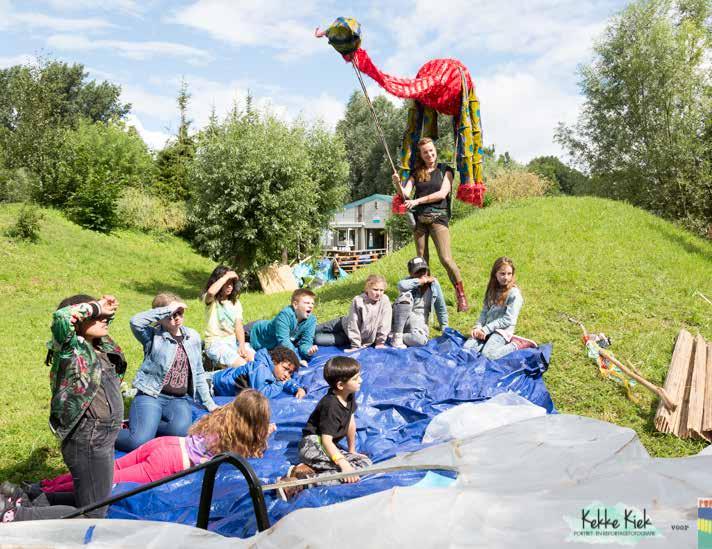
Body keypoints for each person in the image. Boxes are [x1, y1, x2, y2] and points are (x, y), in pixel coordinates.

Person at [38, 390, 272, 496]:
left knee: (103, 471)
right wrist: (264, 433)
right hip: (168, 462)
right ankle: (48, 494)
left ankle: (45, 484)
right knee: (105, 483)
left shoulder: (223, 415)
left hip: (166, 444)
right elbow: (253, 451)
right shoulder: (239, 440)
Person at [45, 294, 126, 518]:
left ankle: (27, 497)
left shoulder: (100, 345)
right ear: (79, 320)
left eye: (104, 316)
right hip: (89, 438)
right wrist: (96, 306)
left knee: (95, 501)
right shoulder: (70, 349)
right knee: (93, 513)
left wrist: (106, 308)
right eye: (95, 315)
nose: (103, 319)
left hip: (104, 436)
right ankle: (15, 514)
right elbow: (61, 317)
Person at [115, 293, 217, 453]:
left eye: (179, 313)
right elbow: (135, 322)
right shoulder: (152, 336)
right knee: (138, 442)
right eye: (170, 315)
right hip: (152, 395)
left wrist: (209, 403)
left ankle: (149, 425)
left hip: (178, 400)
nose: (176, 317)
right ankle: (105, 433)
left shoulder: (193, 337)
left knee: (181, 435)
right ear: (160, 316)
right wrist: (166, 309)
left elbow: (198, 373)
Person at [392, 137, 469, 312]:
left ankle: (461, 296)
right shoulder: (417, 172)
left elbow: (442, 194)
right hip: (420, 221)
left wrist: (417, 201)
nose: (429, 154)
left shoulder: (445, 170)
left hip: (438, 218)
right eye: (425, 152)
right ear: (421, 154)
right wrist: (397, 183)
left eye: (431, 150)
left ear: (435, 150)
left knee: (446, 258)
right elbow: (405, 194)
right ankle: (425, 297)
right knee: (421, 260)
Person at [297, 356, 371, 484]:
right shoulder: (330, 405)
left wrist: (352, 450)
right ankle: (301, 483)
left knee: (364, 463)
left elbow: (350, 423)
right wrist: (344, 464)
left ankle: (307, 470)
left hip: (326, 446)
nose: (361, 380)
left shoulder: (348, 395)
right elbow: (326, 441)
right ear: (341, 385)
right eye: (355, 378)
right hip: (312, 446)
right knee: (351, 468)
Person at [464, 257, 537, 359]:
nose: (506, 277)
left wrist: (485, 330)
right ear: (495, 274)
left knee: (487, 356)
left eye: (509, 274)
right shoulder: (492, 289)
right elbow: (484, 311)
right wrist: (478, 327)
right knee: (466, 349)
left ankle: (516, 344)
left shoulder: (514, 294)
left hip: (502, 331)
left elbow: (508, 320)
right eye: (502, 274)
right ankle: (486, 343)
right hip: (487, 328)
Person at [314, 274, 392, 352]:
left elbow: (385, 323)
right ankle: (302, 330)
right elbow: (353, 323)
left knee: (318, 339)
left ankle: (304, 340)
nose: (378, 293)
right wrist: (355, 345)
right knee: (315, 329)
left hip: (347, 336)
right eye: (375, 289)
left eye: (381, 290)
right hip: (342, 324)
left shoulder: (384, 300)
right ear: (367, 288)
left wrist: (380, 342)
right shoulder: (358, 301)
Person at [247, 289, 318, 366]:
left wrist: (308, 351)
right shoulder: (284, 315)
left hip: (274, 343)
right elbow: (284, 341)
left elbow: (306, 342)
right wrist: (297, 359)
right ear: (295, 305)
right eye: (307, 303)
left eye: (312, 303)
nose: (310, 306)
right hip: (257, 334)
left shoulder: (311, 320)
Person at [202, 265, 254, 368]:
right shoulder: (211, 300)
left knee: (255, 360)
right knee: (242, 366)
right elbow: (211, 292)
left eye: (232, 283)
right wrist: (226, 276)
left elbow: (238, 327)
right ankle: (212, 364)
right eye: (226, 283)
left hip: (233, 343)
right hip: (215, 344)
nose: (230, 286)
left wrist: (242, 346)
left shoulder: (236, 303)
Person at [391, 257, 448, 348]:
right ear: (411, 273)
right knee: (405, 298)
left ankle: (395, 337)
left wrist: (445, 328)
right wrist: (422, 281)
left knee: (420, 341)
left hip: (419, 323)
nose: (422, 274)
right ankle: (397, 334)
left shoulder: (434, 284)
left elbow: (440, 307)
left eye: (424, 270)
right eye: (418, 271)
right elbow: (401, 285)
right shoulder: (408, 282)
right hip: (401, 320)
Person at [209, 346, 307, 399]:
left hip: (222, 388)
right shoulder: (260, 368)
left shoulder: (275, 372)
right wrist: (279, 385)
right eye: (285, 369)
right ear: (274, 361)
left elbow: (286, 380)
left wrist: (297, 388)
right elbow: (261, 394)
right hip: (212, 385)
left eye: (290, 372)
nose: (287, 375)